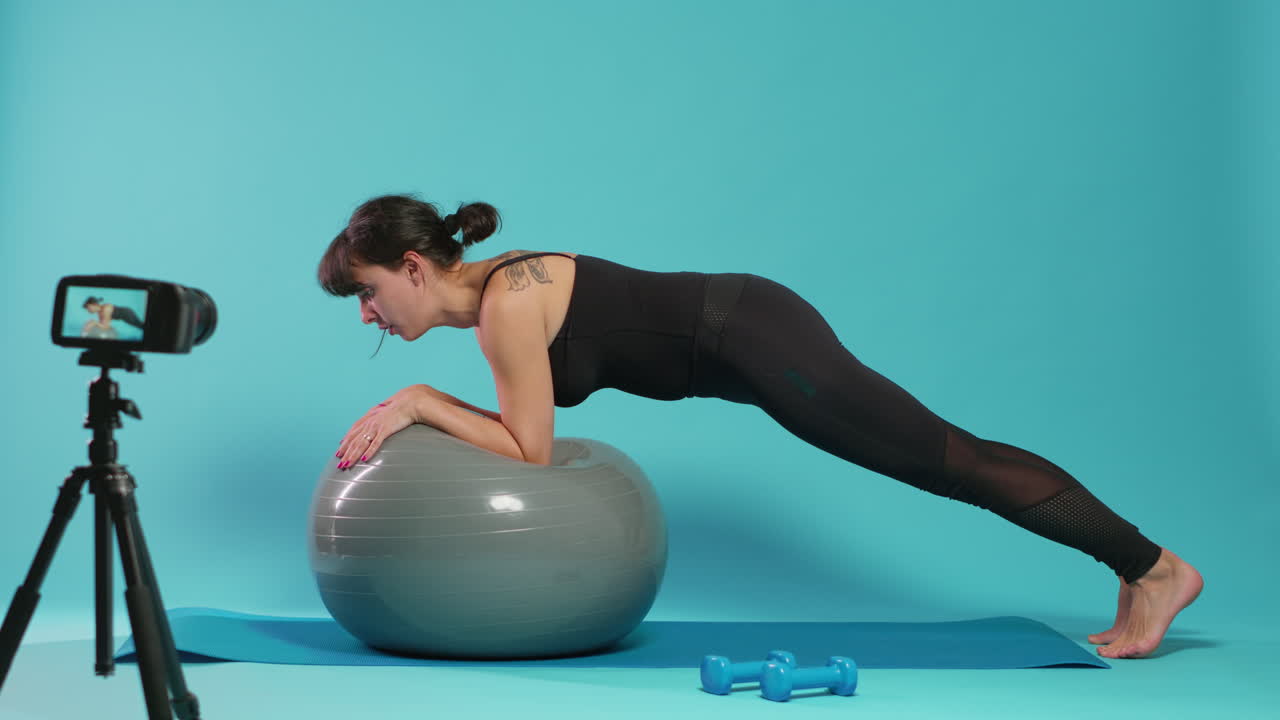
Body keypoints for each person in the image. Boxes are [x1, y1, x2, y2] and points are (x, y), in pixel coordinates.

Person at [317, 193, 1203, 660]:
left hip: (751, 337)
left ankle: (1155, 568)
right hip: (747, 328)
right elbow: (528, 430)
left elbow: (530, 451)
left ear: (412, 267)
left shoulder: (507, 307)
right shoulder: (502, 289)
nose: (367, 315)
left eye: (367, 293)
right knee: (950, 457)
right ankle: (1141, 568)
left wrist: (420, 400)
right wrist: (422, 399)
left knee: (948, 461)